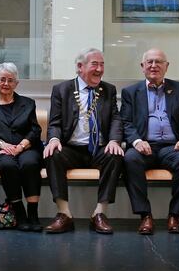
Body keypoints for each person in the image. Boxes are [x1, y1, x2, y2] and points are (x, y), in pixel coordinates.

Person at [43, 48, 124, 234]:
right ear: (80, 67)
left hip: (99, 149)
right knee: (52, 153)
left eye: (102, 64)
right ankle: (64, 214)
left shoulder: (108, 90)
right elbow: (54, 121)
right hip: (72, 148)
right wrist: (54, 138)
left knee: (115, 155)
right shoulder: (62, 90)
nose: (100, 69)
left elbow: (115, 118)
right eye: (95, 64)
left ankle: (99, 213)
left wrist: (114, 141)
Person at [120, 48, 179, 234]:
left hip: (172, 146)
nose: (154, 66)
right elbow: (126, 122)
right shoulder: (130, 92)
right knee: (130, 159)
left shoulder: (178, 88)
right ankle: (145, 215)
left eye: (159, 62)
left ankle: (175, 215)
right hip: (144, 146)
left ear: (167, 66)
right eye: (150, 62)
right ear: (142, 66)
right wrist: (137, 141)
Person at [0, 63, 44, 231]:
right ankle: (19, 213)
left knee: (30, 164)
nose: (6, 84)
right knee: (8, 165)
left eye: (10, 80)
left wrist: (21, 146)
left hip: (27, 148)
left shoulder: (28, 104)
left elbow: (35, 129)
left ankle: (33, 214)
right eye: (2, 80)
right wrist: (2, 144)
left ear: (16, 83)